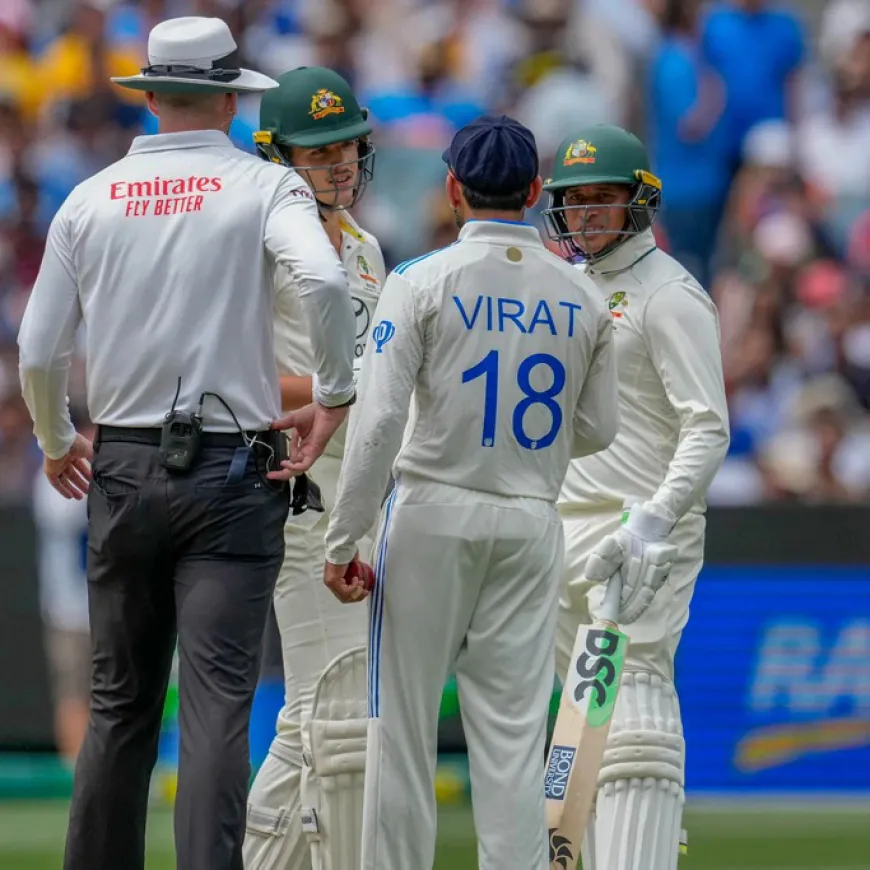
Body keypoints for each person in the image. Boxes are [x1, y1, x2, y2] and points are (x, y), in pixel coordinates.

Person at [16, 17, 358, 870]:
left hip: (123, 464)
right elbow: (319, 278)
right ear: (229, 96)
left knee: (118, 708)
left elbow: (36, 348)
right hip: (233, 470)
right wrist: (334, 392)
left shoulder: (90, 197)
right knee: (214, 710)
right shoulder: (264, 187)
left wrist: (58, 439)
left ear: (154, 93)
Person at [322, 115, 620, 870]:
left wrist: (342, 538)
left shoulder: (419, 279)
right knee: (514, 739)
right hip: (529, 520)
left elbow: (381, 419)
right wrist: (526, 449)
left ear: (452, 187)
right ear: (532, 191)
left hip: (431, 510)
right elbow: (599, 429)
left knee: (402, 730)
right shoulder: (582, 293)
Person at [541, 123, 730, 870]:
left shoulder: (672, 295)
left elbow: (708, 427)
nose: (586, 217)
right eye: (574, 202)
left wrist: (655, 520)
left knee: (636, 707)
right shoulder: (569, 287)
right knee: (583, 723)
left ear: (638, 204)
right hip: (563, 530)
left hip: (641, 531)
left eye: (602, 201)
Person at [244, 66, 385, 870]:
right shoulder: (258, 241)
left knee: (331, 710)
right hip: (302, 490)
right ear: (278, 157)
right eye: (316, 152)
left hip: (365, 495)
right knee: (324, 707)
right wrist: (358, 383)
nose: (337, 165)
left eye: (346, 147)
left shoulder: (363, 247)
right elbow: (238, 375)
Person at [32, 411, 96, 767]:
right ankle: (76, 771)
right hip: (70, 609)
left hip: (114, 604)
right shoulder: (53, 467)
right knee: (74, 691)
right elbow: (63, 515)